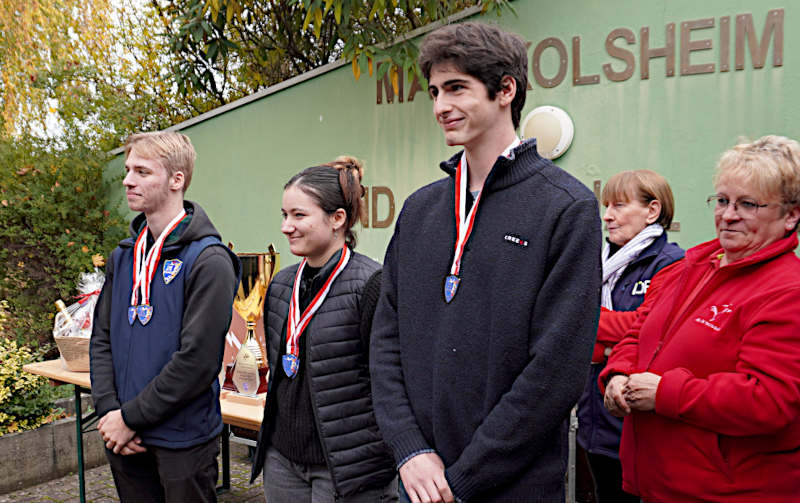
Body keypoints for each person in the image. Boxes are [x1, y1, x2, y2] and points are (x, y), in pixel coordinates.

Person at [369, 22, 602, 503]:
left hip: (510, 487)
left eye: (457, 88)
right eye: (434, 91)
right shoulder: (420, 210)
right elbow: (386, 337)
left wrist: (464, 478)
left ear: (505, 90)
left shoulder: (566, 208)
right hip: (417, 481)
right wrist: (409, 449)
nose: (440, 107)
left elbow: (555, 373)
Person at [602, 135, 800, 503]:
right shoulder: (693, 266)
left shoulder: (787, 290)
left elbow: (769, 401)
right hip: (658, 483)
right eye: (723, 200)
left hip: (728, 492)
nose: (728, 215)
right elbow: (640, 330)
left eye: (748, 204)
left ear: (790, 215)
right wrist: (619, 373)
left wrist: (666, 393)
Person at [90, 131, 240, 502]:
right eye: (128, 170)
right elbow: (101, 338)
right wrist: (110, 413)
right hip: (127, 440)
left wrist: (129, 419)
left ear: (177, 180)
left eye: (142, 171)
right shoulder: (123, 257)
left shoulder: (209, 260)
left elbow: (198, 361)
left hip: (182, 442)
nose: (127, 180)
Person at [249, 157, 397, 502]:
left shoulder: (371, 284)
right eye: (284, 215)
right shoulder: (282, 283)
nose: (287, 226)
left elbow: (388, 382)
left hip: (345, 470)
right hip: (283, 461)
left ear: (337, 219)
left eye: (299, 215)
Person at [575, 171, 683, 503]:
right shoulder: (597, 261)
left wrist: (588, 330)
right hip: (593, 415)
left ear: (652, 211)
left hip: (635, 421)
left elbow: (648, 327)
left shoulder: (672, 263)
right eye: (606, 206)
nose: (607, 215)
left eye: (619, 206)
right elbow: (562, 323)